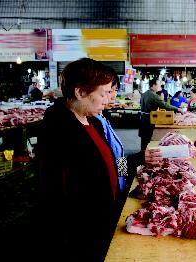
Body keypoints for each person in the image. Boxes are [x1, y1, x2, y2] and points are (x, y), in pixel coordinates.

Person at [38, 58, 120, 261]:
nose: (107, 100)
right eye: (103, 94)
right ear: (80, 92)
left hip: (105, 218)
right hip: (80, 230)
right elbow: (56, 190)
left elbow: (109, 162)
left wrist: (137, 161)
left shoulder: (95, 122)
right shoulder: (58, 128)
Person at [95, 67, 128, 196]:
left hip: (118, 185)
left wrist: (124, 176)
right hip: (111, 191)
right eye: (109, 91)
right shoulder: (94, 122)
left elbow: (118, 152)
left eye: (114, 90)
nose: (113, 95)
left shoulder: (102, 118)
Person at [139, 77, 182, 150]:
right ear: (153, 85)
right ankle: (145, 156)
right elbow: (165, 105)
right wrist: (177, 109)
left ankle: (142, 153)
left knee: (144, 139)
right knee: (148, 139)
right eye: (158, 85)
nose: (160, 87)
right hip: (149, 119)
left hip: (142, 118)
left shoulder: (145, 93)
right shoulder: (154, 95)